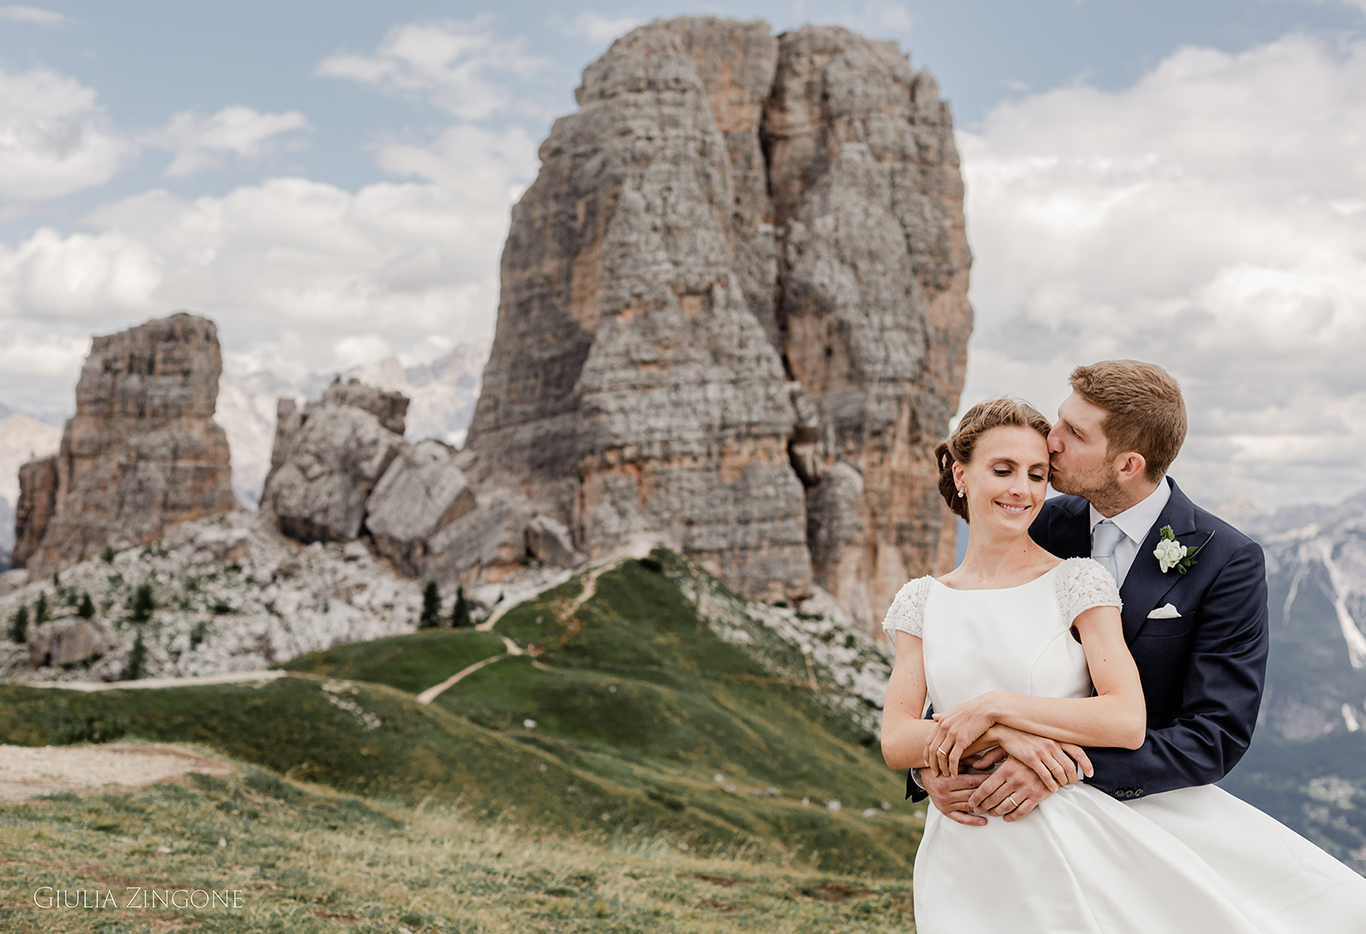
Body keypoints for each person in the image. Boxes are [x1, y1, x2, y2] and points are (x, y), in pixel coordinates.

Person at [881, 387, 1366, 932]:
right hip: (967, 832)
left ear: (1128, 463)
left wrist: (1049, 764)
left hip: (1109, 807)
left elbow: (1212, 733)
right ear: (962, 474)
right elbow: (966, 662)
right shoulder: (1036, 524)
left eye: (1069, 438)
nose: (1052, 446)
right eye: (1007, 467)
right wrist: (939, 762)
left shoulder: (1225, 560)